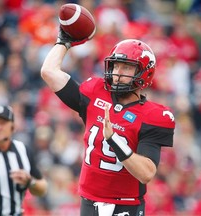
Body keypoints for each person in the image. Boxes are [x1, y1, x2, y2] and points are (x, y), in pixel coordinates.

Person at [41, 28, 175, 216]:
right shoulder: (94, 93)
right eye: (116, 66)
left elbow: (146, 173)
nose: (118, 73)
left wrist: (114, 139)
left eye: (127, 67)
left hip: (125, 206)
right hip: (89, 202)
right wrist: (63, 42)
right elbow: (49, 71)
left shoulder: (153, 115)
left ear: (145, 73)